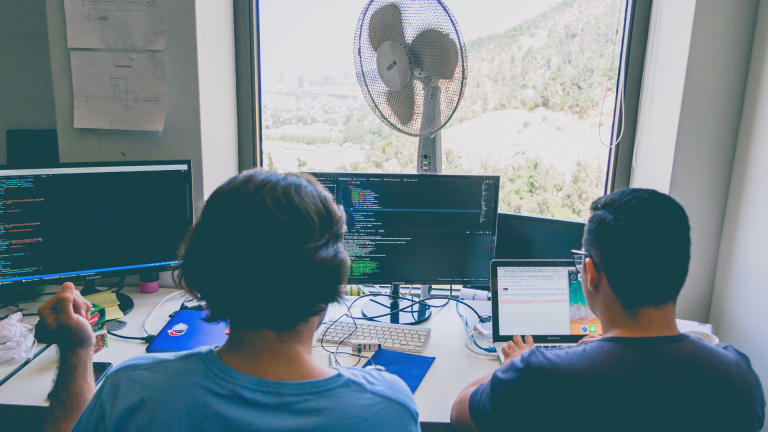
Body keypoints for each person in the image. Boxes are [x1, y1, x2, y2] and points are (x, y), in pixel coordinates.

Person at [39, 170, 420, 432]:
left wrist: (77, 350)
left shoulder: (133, 390)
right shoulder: (387, 408)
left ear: (206, 277)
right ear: (331, 281)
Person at [451, 188, 765, 431]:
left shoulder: (536, 376)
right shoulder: (739, 379)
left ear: (591, 274)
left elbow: (459, 412)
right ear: (682, 269)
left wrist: (512, 366)